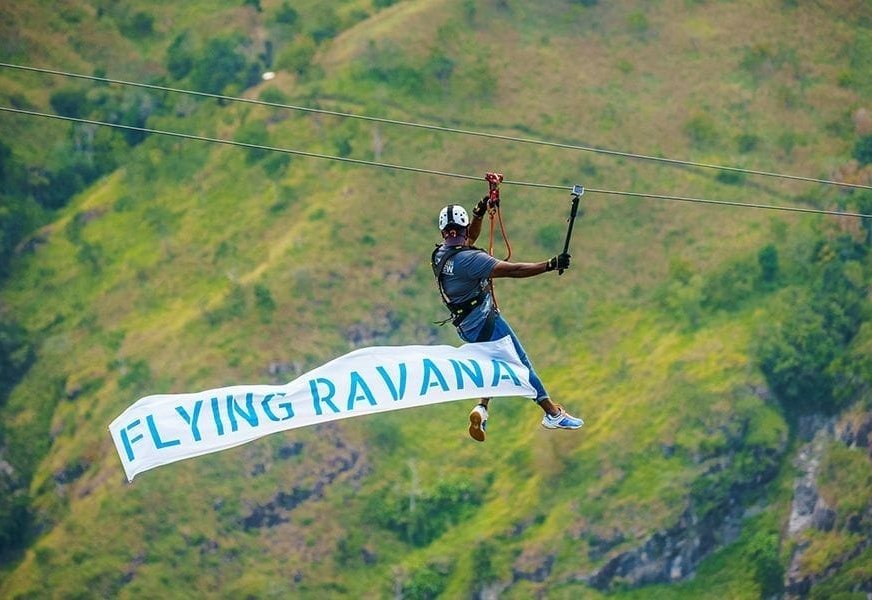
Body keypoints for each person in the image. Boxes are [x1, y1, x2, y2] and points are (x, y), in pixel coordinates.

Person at [431, 199, 584, 442]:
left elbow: (468, 239)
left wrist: (479, 214)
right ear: (464, 227)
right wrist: (550, 264)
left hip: (466, 326)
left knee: (495, 363)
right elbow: (514, 270)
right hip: (485, 323)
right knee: (521, 363)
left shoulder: (441, 255)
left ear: (444, 232)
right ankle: (552, 413)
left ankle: (482, 407)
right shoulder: (470, 261)